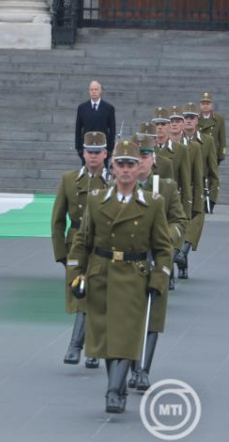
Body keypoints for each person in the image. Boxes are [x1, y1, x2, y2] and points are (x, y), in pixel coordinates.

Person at [67, 139, 172, 414]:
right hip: (101, 273)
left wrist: (159, 278)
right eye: (121, 164)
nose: (125, 170)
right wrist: (76, 273)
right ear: (112, 167)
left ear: (139, 169)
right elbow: (82, 241)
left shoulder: (152, 204)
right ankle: (119, 385)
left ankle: (113, 391)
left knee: (125, 336)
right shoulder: (97, 199)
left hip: (133, 276)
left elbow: (163, 248)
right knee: (104, 338)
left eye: (131, 164)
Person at [127, 134, 188, 390]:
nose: (141, 162)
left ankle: (143, 369)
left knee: (152, 315)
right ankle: (130, 367)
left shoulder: (166, 187)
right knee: (128, 318)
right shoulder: (121, 187)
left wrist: (167, 241)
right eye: (136, 157)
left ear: (153, 159)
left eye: (145, 156)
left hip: (156, 260)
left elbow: (180, 221)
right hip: (129, 262)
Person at [51, 131, 109, 369]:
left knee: (94, 294)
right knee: (80, 292)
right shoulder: (69, 179)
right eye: (89, 152)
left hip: (101, 244)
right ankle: (88, 348)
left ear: (105, 154)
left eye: (97, 152)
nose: (93, 157)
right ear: (83, 153)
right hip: (76, 243)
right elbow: (57, 219)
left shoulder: (113, 182)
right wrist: (61, 254)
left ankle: (78, 347)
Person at [168, 106, 204, 280]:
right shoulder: (162, 146)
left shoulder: (194, 147)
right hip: (167, 196)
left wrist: (196, 203)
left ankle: (183, 263)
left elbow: (196, 177)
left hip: (184, 194)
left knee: (183, 229)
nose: (174, 124)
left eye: (177, 121)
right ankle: (170, 271)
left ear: (183, 125)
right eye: (171, 121)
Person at [152, 107, 192, 217]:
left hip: (170, 204)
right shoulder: (145, 150)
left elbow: (185, 183)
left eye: (163, 124)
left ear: (169, 126)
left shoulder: (180, 150)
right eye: (156, 124)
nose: (159, 127)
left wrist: (186, 214)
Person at [74, 81, 116, 165]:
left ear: (100, 91)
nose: (94, 91)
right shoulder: (82, 108)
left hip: (102, 148)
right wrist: (79, 148)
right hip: (86, 147)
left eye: (96, 89)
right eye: (92, 89)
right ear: (89, 91)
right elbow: (78, 129)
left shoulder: (109, 108)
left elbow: (112, 129)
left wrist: (110, 149)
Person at [198, 92, 226, 164]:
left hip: (213, 154)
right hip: (199, 155)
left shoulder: (219, 119)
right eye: (203, 104)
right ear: (200, 105)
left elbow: (222, 139)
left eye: (207, 104)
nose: (205, 106)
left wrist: (221, 155)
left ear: (212, 105)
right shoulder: (195, 119)